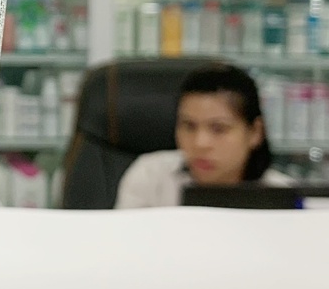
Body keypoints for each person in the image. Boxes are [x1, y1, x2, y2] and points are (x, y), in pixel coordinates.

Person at [115, 62, 292, 209]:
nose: (200, 143)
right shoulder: (151, 177)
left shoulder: (285, 198)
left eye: (219, 128)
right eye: (189, 126)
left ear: (255, 132)